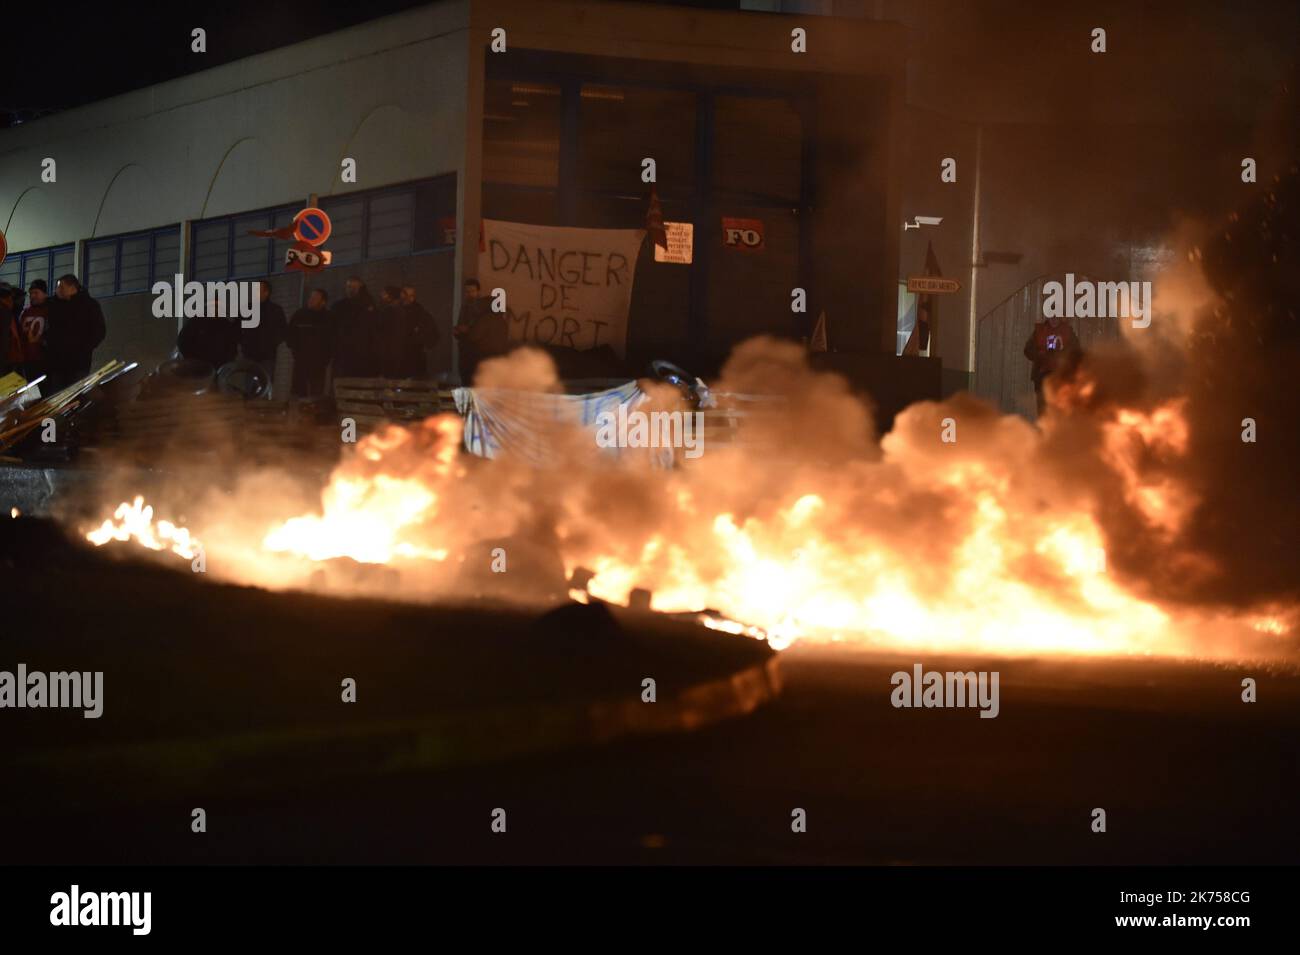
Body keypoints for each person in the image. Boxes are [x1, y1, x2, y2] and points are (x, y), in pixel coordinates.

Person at [43, 274, 107, 393]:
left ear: (72, 287)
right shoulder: (54, 306)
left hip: (79, 362)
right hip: (57, 362)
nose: (57, 290)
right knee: (57, 395)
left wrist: (84, 348)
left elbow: (99, 331)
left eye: (61, 287)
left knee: (76, 395)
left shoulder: (89, 305)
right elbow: (48, 329)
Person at [1023, 312, 1082, 416]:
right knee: (1043, 409)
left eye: (1056, 315)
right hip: (1042, 376)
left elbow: (1077, 351)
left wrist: (1064, 356)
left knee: (1060, 408)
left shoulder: (1067, 331)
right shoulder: (1040, 331)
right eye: (1051, 315)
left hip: (1061, 376)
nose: (1054, 318)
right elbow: (1028, 350)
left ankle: (1058, 430)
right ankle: (1044, 430)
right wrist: (1040, 356)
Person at [453, 278, 509, 385]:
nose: (469, 294)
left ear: (478, 292)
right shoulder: (467, 308)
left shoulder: (483, 313)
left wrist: (466, 331)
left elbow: (475, 334)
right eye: (467, 291)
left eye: (472, 291)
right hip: (479, 356)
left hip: (476, 355)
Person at [239, 279, 287, 393]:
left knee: (265, 384)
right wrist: (244, 344)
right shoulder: (247, 308)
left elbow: (283, 331)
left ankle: (263, 407)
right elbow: (238, 328)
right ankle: (249, 406)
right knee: (249, 386)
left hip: (267, 356)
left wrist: (271, 344)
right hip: (250, 355)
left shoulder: (275, 310)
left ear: (266, 292)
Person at [286, 288, 334, 398]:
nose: (311, 300)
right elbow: (290, 334)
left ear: (323, 302)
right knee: (298, 392)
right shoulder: (300, 315)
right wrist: (295, 351)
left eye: (315, 298)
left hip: (319, 363)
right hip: (301, 361)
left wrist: (326, 357)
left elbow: (332, 339)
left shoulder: (329, 318)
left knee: (316, 393)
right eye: (311, 297)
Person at [330, 276, 379, 378]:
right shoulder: (340, 306)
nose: (350, 289)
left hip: (360, 351)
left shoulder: (366, 304)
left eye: (353, 287)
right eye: (348, 287)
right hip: (344, 350)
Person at [177, 303, 239, 369]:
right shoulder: (195, 321)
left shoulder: (227, 325)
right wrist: (190, 361)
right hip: (194, 366)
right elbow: (182, 341)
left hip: (218, 368)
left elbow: (232, 348)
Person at [16, 279, 50, 385]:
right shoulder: (26, 312)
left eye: (36, 293)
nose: (33, 296)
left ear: (45, 294)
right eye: (31, 293)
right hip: (26, 361)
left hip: (44, 361)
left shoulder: (51, 310)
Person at [401, 285, 439, 378]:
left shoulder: (419, 312)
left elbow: (430, 331)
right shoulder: (405, 310)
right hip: (407, 352)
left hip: (413, 353)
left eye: (405, 294)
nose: (402, 297)